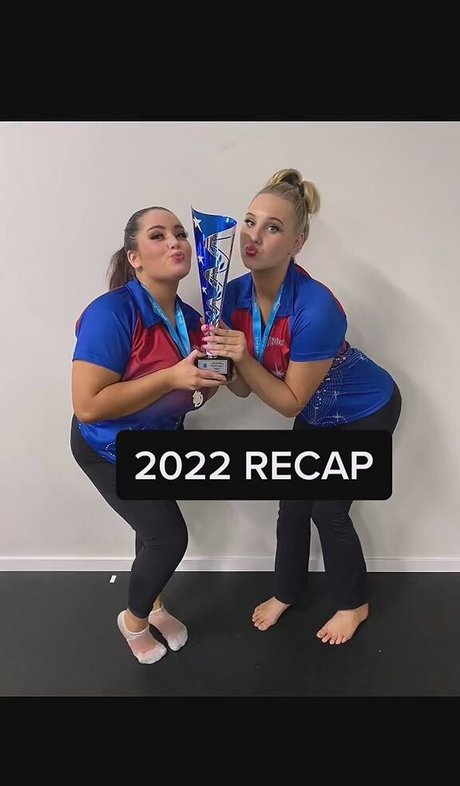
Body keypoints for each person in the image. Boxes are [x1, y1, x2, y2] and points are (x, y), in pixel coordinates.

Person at [202, 169, 402, 646]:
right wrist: (217, 364)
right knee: (292, 505)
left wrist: (242, 356)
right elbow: (245, 390)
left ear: (297, 242)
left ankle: (354, 603)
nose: (253, 236)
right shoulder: (231, 296)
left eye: (272, 227)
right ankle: (286, 591)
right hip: (317, 414)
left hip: (366, 411)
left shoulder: (317, 307)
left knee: (328, 511)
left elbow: (290, 403)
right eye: (250, 221)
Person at [70, 206, 229, 664]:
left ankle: (154, 605)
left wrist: (213, 377)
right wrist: (171, 378)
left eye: (180, 233)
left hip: (157, 444)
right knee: (168, 538)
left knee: (150, 531)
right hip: (107, 448)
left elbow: (196, 390)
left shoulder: (195, 319)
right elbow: (88, 405)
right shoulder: (110, 313)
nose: (175, 241)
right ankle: (134, 620)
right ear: (134, 257)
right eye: (158, 235)